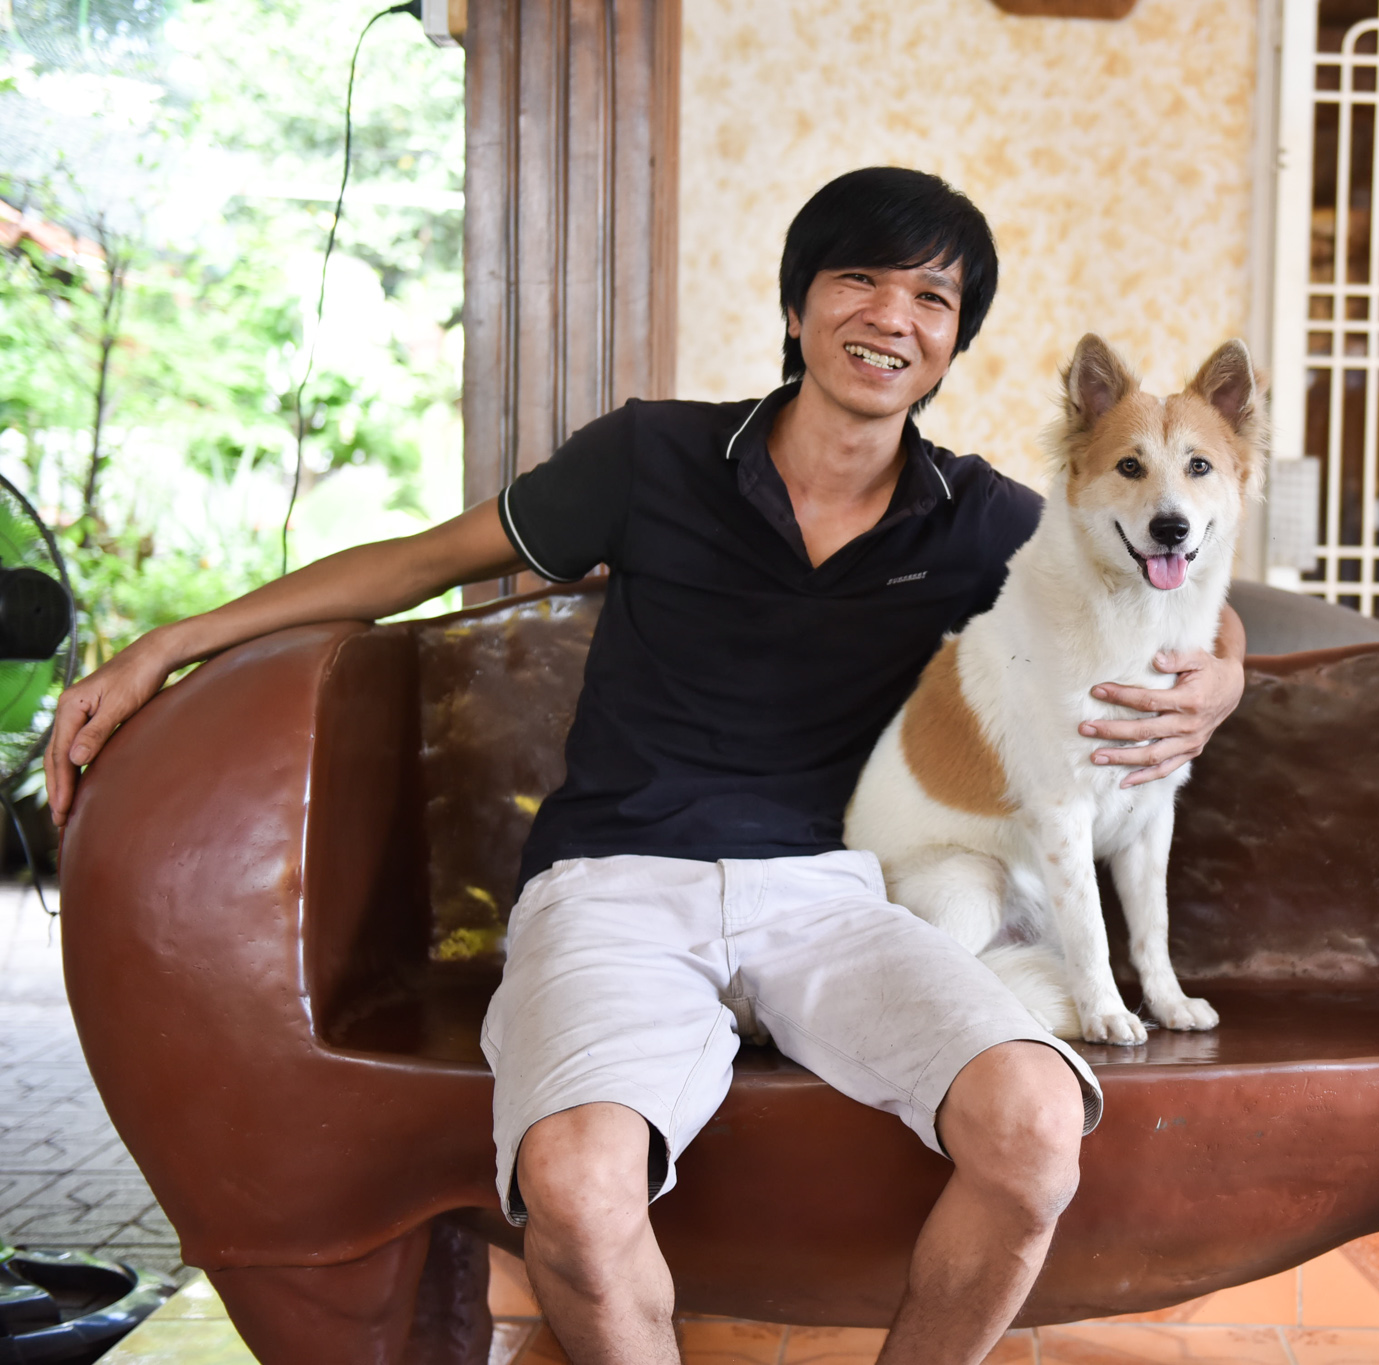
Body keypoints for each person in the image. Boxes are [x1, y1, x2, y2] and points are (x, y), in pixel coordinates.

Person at [44, 167, 1246, 1365]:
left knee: (1036, 1130)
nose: (892, 316)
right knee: (572, 1185)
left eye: (931, 298)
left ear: (950, 348)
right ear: (796, 308)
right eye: (859, 280)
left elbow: (1173, 580)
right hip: (613, 887)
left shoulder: (976, 514)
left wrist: (1226, 673)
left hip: (832, 896)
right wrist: (172, 641)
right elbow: (422, 560)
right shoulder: (650, 457)